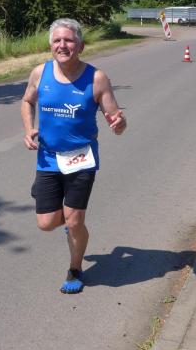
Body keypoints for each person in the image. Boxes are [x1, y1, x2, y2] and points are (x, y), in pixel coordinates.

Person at [20, 18, 127, 294]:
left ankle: (75, 268)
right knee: (46, 224)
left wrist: (119, 124)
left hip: (82, 158)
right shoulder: (39, 73)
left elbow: (116, 120)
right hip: (48, 158)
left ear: (80, 46)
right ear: (51, 45)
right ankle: (65, 220)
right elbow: (27, 101)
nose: (62, 45)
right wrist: (29, 128)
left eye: (68, 40)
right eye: (57, 41)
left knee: (75, 221)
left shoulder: (96, 78)